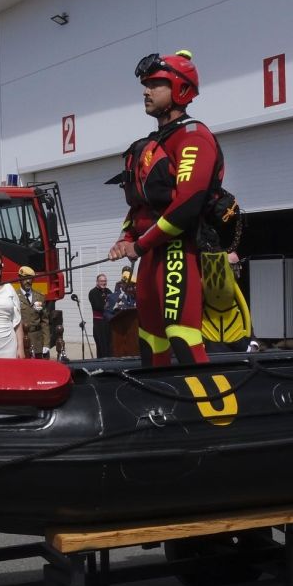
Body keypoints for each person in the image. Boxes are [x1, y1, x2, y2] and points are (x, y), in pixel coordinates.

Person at [107, 50, 223, 366]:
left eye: (155, 84)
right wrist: (124, 237)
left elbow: (187, 206)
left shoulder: (193, 137)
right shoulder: (152, 142)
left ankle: (207, 405)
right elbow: (140, 205)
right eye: (145, 84)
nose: (146, 91)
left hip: (178, 251)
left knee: (181, 335)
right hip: (150, 255)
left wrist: (140, 244)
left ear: (180, 89)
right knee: (149, 338)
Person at [16, 266, 55, 358]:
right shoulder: (14, 296)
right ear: (20, 278)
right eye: (25, 278)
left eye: (31, 278)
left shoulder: (39, 296)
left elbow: (44, 321)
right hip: (21, 340)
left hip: (37, 340)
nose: (28, 281)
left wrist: (46, 343)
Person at [88, 273, 112, 358]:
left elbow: (113, 303)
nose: (103, 283)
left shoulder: (108, 291)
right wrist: (107, 305)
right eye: (101, 281)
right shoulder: (92, 292)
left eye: (105, 281)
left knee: (110, 345)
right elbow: (97, 306)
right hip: (99, 322)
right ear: (97, 282)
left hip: (109, 322)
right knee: (102, 346)